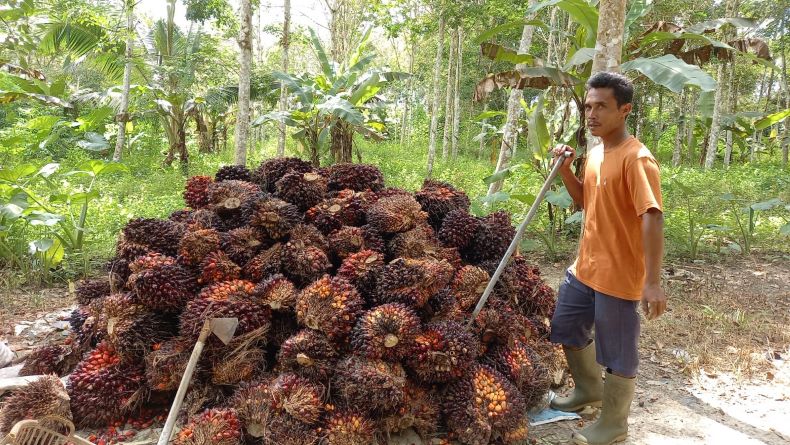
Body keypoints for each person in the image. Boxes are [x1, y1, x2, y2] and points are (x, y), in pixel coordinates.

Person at [549, 72, 667, 445]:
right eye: (588, 105)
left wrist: (651, 281)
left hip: (618, 275)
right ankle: (588, 391)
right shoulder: (597, 153)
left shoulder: (637, 159)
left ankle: (615, 423)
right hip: (585, 268)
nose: (592, 113)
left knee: (617, 352)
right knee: (566, 326)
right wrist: (566, 170)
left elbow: (651, 215)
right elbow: (585, 201)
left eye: (601, 106)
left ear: (625, 109)